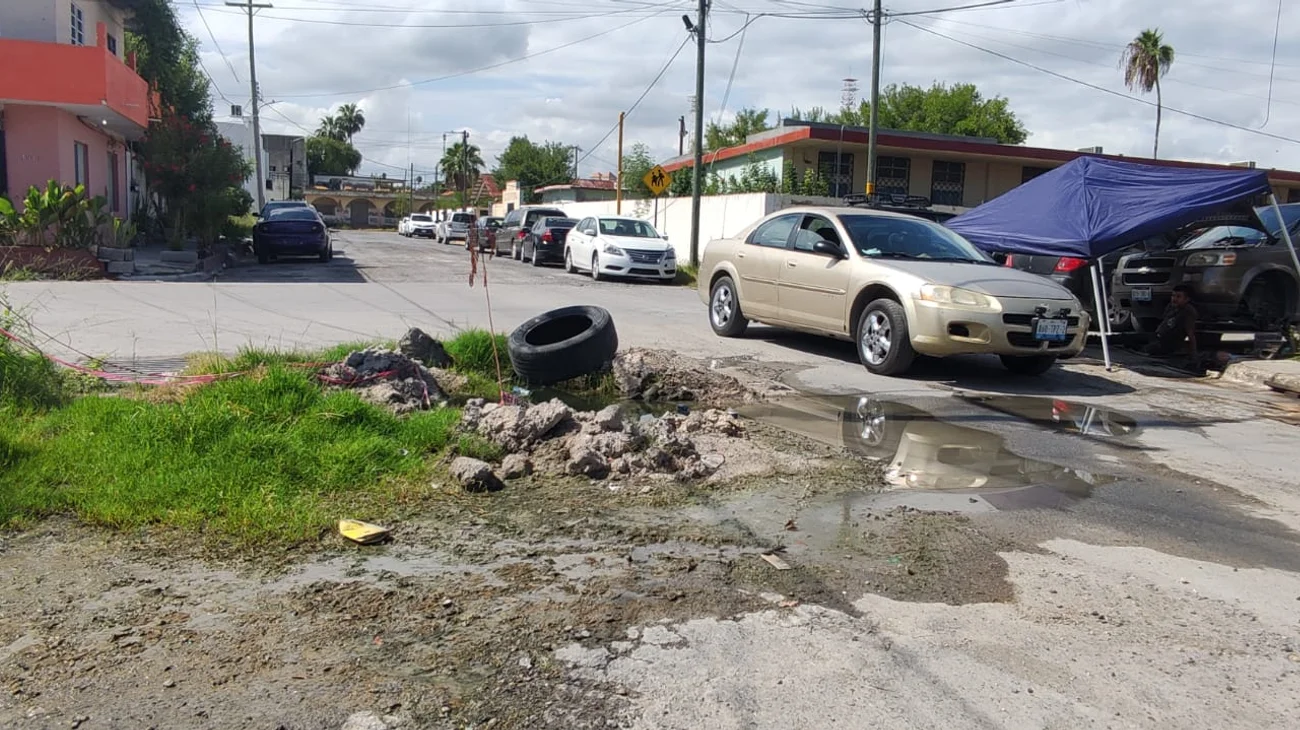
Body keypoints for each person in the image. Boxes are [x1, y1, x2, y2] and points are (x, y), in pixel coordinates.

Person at [1145, 284, 1199, 360]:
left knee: (1150, 348)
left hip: (1168, 343)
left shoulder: (1188, 311)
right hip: (1158, 336)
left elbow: (1190, 334)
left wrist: (1193, 354)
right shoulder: (1171, 306)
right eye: (1173, 296)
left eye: (1178, 296)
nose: (1174, 299)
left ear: (1187, 299)